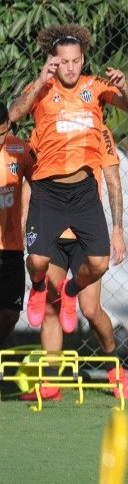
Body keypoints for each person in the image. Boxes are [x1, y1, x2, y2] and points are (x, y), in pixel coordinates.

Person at [6, 23, 128, 335]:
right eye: (63, 61)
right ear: (54, 61)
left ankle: (69, 293)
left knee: (99, 264)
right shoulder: (42, 88)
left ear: (83, 59)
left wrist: (123, 87)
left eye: (76, 60)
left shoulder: (95, 88)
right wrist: (40, 80)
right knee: (38, 262)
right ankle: (38, 287)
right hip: (47, 190)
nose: (70, 67)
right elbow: (14, 114)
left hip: (83, 192)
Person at [38, 124, 128, 402]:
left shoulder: (100, 131)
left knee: (91, 309)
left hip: (84, 234)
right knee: (50, 308)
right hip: (54, 232)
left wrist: (117, 230)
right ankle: (50, 382)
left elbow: (113, 179)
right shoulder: (49, 123)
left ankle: (115, 369)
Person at [0, 104, 33, 348]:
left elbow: (38, 179)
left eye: (4, 132)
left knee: (11, 312)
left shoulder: (19, 150)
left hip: (11, 245)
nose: (1, 139)